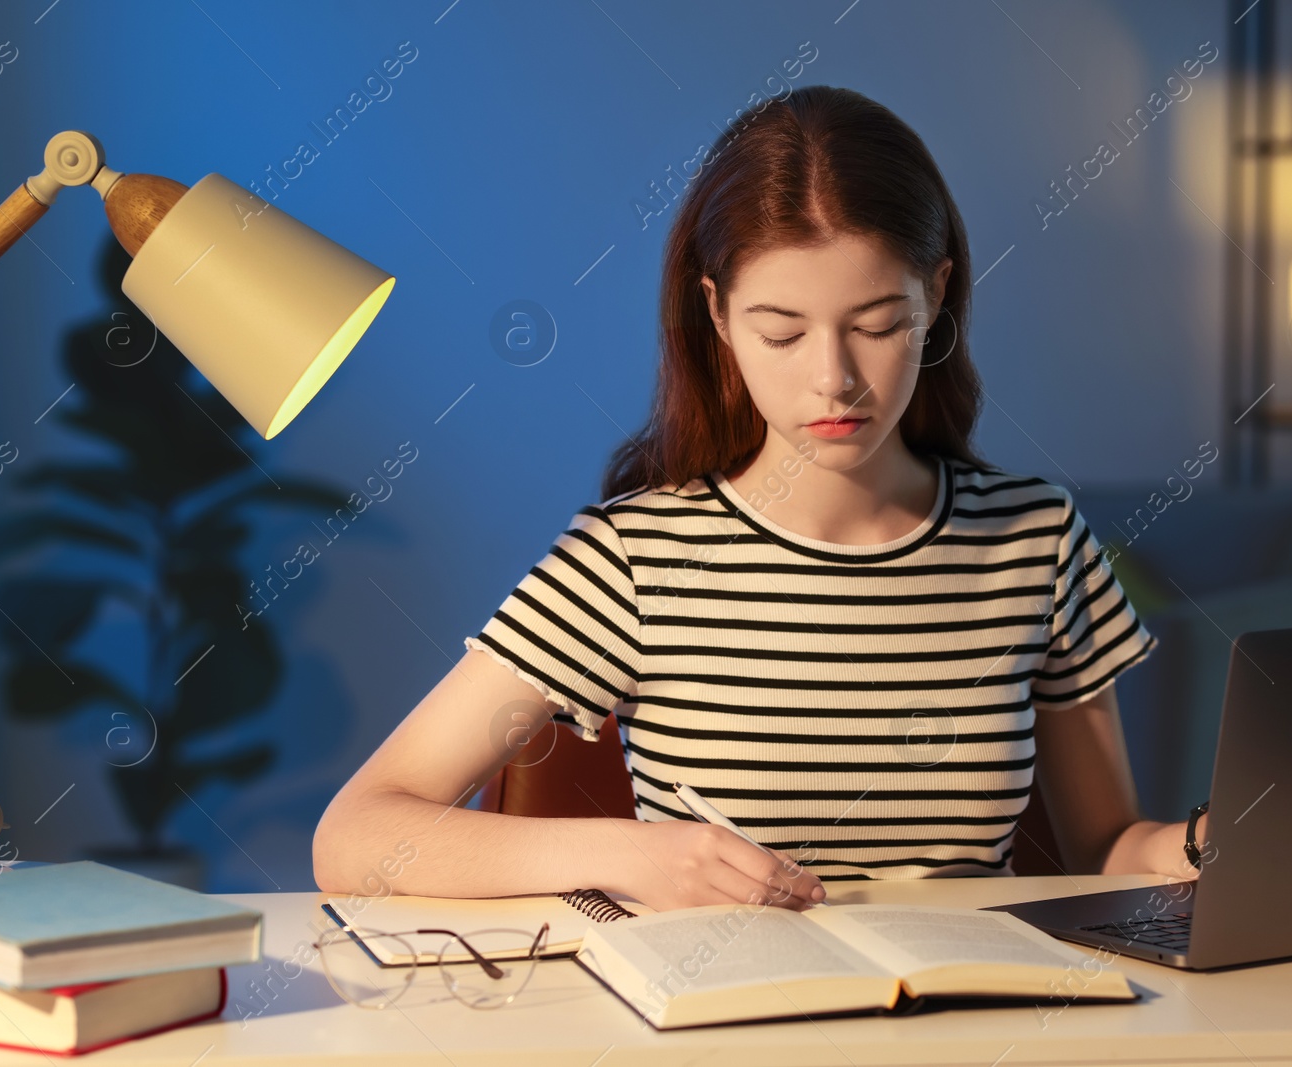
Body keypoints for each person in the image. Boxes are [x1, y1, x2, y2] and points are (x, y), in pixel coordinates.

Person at [314, 85, 1210, 912]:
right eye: (781, 332)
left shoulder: (1036, 538)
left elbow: (1107, 852)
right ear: (717, 314)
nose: (835, 380)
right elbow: (358, 834)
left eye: (879, 325)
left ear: (936, 298)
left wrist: (1213, 843)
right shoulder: (635, 558)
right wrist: (630, 856)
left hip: (972, 1021)